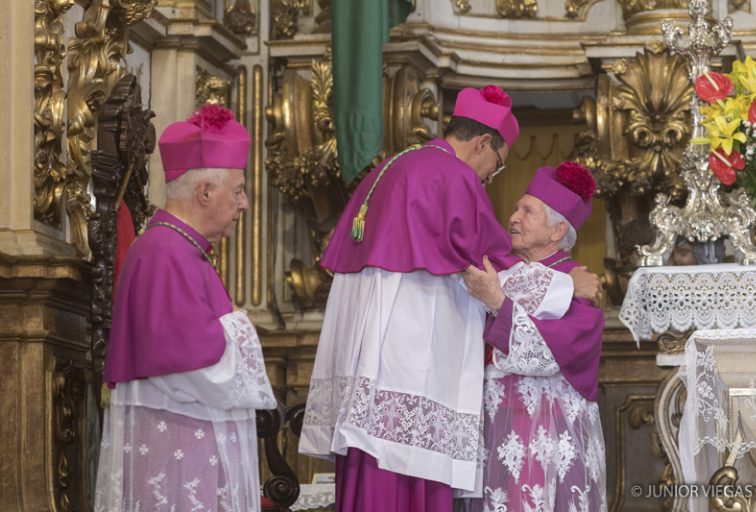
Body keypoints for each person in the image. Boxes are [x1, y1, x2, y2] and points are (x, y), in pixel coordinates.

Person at [298, 86, 602, 511]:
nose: (491, 178)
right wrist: (567, 285)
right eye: (497, 164)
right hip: (407, 372)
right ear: (482, 143)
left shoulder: (394, 166)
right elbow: (489, 266)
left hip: (373, 370)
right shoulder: (451, 176)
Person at [95, 104, 276, 512]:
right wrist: (241, 329)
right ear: (205, 192)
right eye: (238, 190)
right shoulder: (165, 253)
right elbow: (197, 366)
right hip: (177, 457)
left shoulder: (181, 250)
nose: (245, 203)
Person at [464, 161, 607, 511]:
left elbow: (546, 355)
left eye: (528, 211)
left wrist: (498, 304)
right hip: (493, 421)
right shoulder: (498, 268)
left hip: (549, 427)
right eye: (516, 208)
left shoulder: (582, 288)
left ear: (558, 230)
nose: (513, 218)